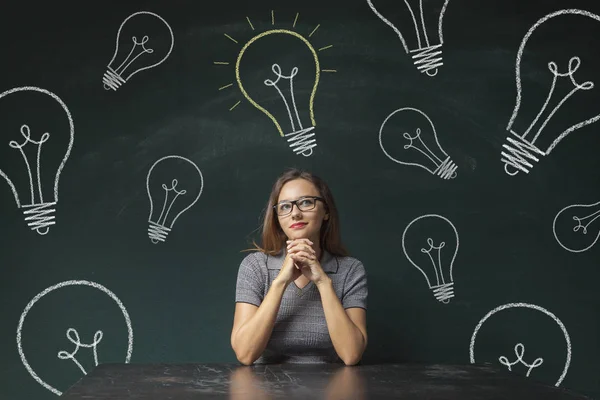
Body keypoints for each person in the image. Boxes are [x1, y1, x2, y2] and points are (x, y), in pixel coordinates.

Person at [231, 168, 368, 365]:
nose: (295, 213)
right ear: (277, 218)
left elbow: (351, 355)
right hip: (265, 387)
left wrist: (322, 282)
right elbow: (245, 354)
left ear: (326, 211)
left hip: (331, 388)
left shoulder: (351, 270)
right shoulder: (255, 266)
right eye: (285, 207)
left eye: (306, 202)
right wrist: (280, 282)